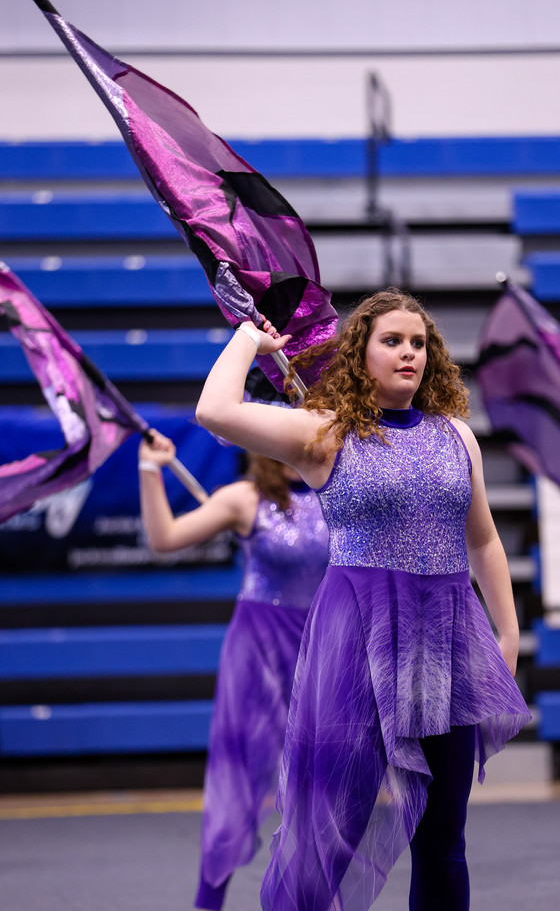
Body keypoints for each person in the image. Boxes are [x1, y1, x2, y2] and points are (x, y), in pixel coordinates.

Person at [195, 288, 531, 911]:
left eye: (419, 343)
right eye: (392, 341)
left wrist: (506, 635)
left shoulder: (458, 436)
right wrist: (248, 338)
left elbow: (483, 540)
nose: (409, 353)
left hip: (445, 649)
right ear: (360, 353)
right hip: (357, 652)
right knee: (329, 835)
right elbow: (214, 411)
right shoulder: (325, 434)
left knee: (444, 842)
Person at [137, 430, 329, 909]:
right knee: (236, 782)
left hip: (325, 650)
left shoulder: (341, 492)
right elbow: (164, 538)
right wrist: (149, 469)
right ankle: (209, 900)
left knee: (323, 790)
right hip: (258, 654)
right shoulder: (245, 498)